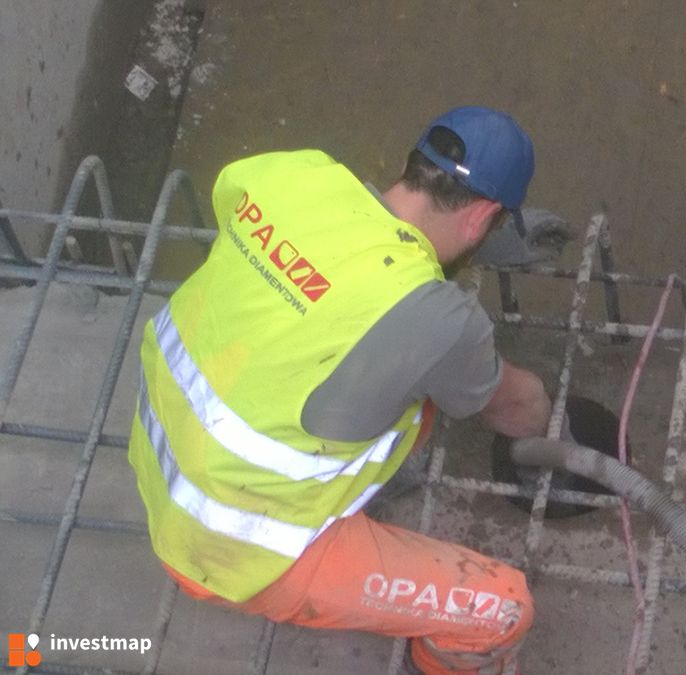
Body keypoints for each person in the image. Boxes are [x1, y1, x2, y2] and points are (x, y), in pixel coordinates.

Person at [128, 106, 560, 674]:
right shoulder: (436, 319)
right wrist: (552, 431)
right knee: (503, 610)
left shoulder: (293, 174)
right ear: (481, 220)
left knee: (400, 370)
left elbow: (253, 217)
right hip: (237, 550)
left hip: (159, 451)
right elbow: (513, 407)